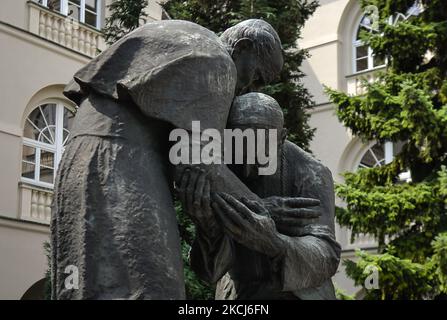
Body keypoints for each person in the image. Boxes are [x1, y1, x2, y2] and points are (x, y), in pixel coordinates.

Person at [52, 19, 293, 299]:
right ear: (243, 47)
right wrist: (260, 207)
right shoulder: (219, 62)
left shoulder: (189, 37)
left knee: (93, 284)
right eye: (257, 76)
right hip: (118, 162)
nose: (249, 88)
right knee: (150, 286)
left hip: (88, 158)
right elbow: (199, 162)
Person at [179, 93, 341, 299]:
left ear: (281, 138)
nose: (246, 171)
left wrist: (273, 242)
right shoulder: (217, 168)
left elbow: (326, 256)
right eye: (241, 155)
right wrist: (208, 228)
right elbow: (208, 273)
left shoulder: (311, 172)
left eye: (259, 159)